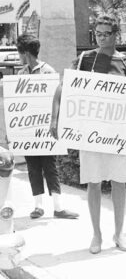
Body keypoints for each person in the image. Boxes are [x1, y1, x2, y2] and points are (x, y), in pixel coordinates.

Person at [50, 14, 126, 254]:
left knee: (120, 182)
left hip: (118, 135)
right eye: (97, 34)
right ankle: (96, 235)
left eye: (106, 34)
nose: (101, 37)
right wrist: (55, 117)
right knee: (94, 183)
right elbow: (63, 86)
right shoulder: (84, 60)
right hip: (90, 134)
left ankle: (119, 233)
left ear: (115, 34)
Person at [16, 34, 79, 220]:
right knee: (33, 167)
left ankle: (58, 207)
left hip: (45, 130)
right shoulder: (21, 74)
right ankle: (38, 206)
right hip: (29, 130)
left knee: (49, 166)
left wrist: (54, 122)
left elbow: (57, 99)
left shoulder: (48, 72)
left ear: (25, 53)